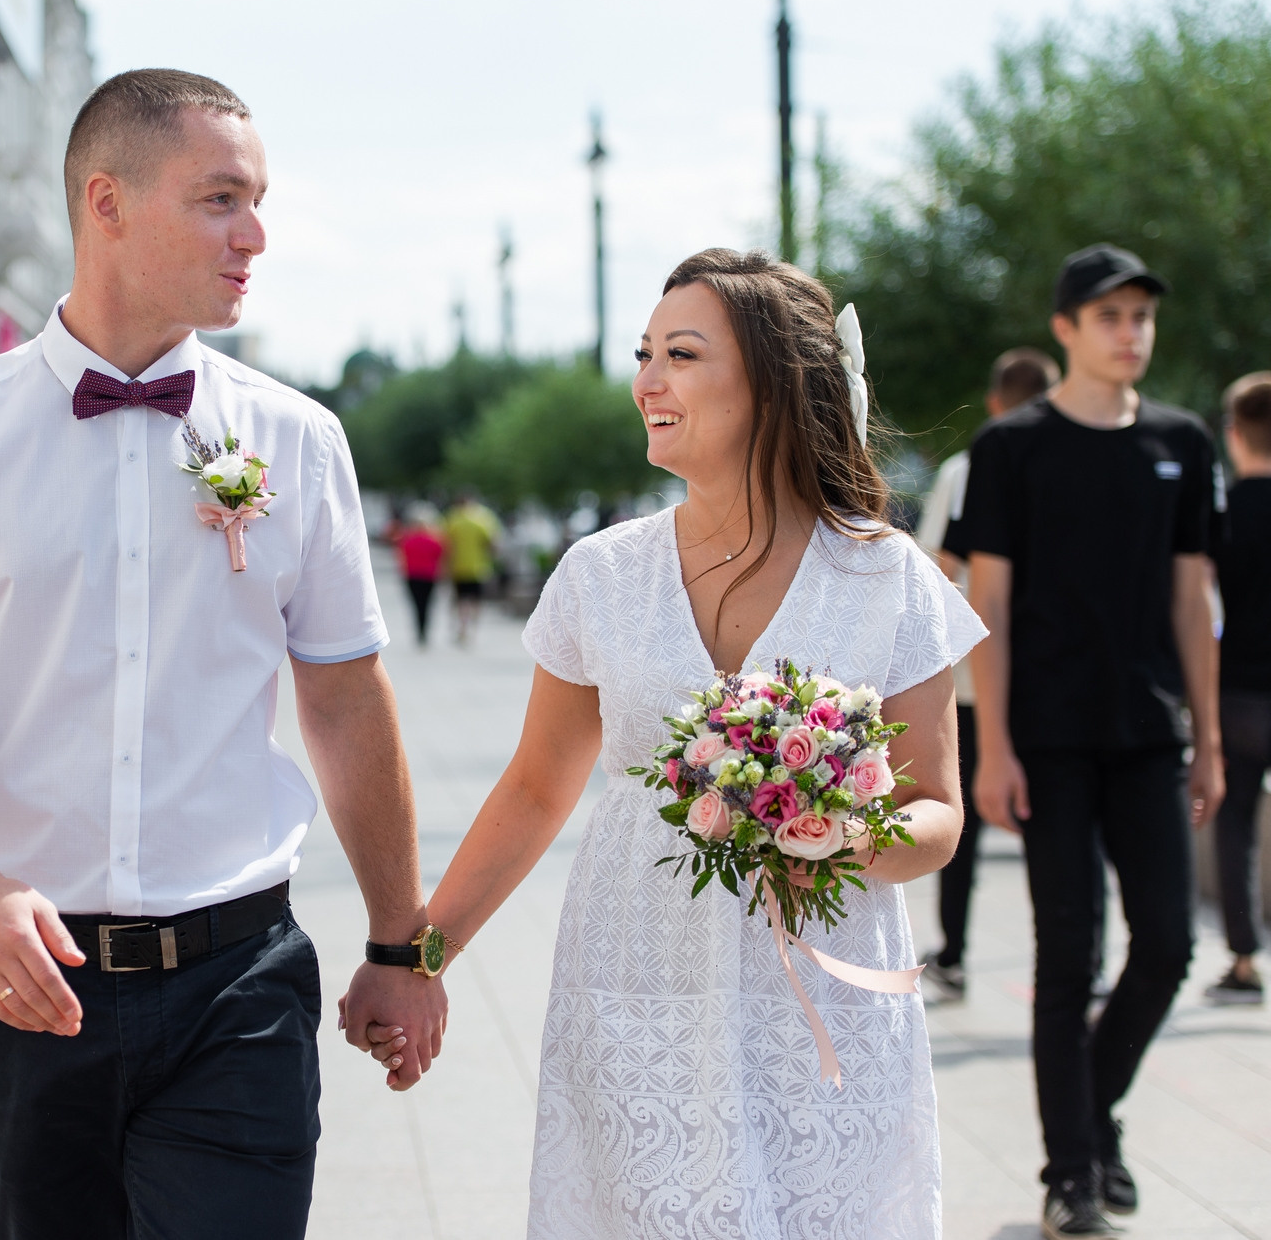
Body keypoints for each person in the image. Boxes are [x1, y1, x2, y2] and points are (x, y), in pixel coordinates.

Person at [0, 69, 446, 1240]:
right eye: (220, 199)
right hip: (21, 982)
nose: (254, 234)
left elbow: (344, 698)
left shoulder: (295, 439)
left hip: (239, 979)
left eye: (257, 200)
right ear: (105, 204)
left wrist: (397, 941)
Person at [376, 248, 980, 1236]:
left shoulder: (887, 580)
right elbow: (534, 789)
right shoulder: (598, 574)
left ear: (774, 383)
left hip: (821, 994)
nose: (644, 381)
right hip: (637, 977)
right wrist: (417, 955)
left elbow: (937, 817)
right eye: (643, 352)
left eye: (681, 354)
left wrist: (833, 828)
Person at [946, 243, 1223, 1236]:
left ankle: (1090, 1116)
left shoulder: (1183, 443)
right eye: (1108, 315)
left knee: (1163, 947)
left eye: (1139, 315)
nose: (1128, 331)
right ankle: (1071, 1170)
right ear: (1064, 328)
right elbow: (989, 601)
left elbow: (1193, 599)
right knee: (1067, 954)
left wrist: (1211, 738)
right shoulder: (1010, 449)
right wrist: (992, 747)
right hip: (1046, 739)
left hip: (1149, 734)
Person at [915, 347, 1061, 1001]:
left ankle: (954, 951)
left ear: (996, 401)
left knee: (963, 818)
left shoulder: (967, 468)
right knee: (1057, 823)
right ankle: (1063, 956)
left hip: (976, 677)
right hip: (1053, 674)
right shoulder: (1073, 460)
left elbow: (935, 566)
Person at [1208, 370, 1271, 1005]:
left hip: (1239, 691)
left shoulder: (1223, 515)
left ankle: (1245, 960)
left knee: (1236, 829)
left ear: (1235, 435)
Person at [443, 490, 500, 646]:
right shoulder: (483, 518)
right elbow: (492, 543)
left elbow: (445, 544)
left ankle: (462, 628)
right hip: (479, 567)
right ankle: (473, 630)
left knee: (461, 600)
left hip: (458, 567)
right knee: (476, 600)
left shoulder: (452, 518)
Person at [394, 503, 446, 646]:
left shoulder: (407, 539)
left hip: (412, 576)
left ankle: (419, 630)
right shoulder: (435, 540)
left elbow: (401, 557)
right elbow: (441, 557)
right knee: (427, 604)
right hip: (430, 576)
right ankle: (424, 630)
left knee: (416, 604)